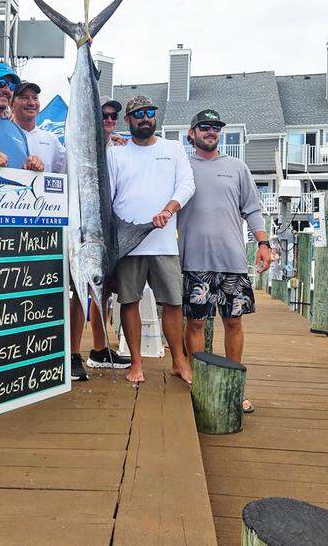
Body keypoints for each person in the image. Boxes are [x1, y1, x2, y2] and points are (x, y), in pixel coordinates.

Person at [176, 109, 272, 413]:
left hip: (232, 261)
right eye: (204, 127)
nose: (211, 131)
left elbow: (253, 209)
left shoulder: (237, 167)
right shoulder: (181, 166)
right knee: (195, 322)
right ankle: (201, 383)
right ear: (191, 133)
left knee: (233, 321)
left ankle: (233, 385)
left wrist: (263, 242)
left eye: (216, 127)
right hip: (193, 260)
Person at [106, 95, 195, 383]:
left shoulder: (173, 148)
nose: (145, 118)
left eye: (149, 113)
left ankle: (178, 361)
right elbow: (107, 197)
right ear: (128, 120)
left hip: (164, 242)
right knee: (128, 303)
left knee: (173, 304)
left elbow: (187, 184)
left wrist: (170, 209)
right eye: (138, 114)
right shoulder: (115, 154)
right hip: (127, 243)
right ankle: (136, 363)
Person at [65, 99, 133, 380]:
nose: (108, 120)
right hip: (84, 227)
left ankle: (99, 350)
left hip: (108, 229)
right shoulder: (78, 142)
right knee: (82, 294)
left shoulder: (119, 149)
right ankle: (71, 354)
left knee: (101, 292)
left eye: (112, 116)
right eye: (103, 115)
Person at [11, 81, 65, 173]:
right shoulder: (4, 134)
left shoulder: (51, 139)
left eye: (35, 98)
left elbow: (69, 171)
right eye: (24, 98)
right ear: (11, 104)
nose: (31, 103)